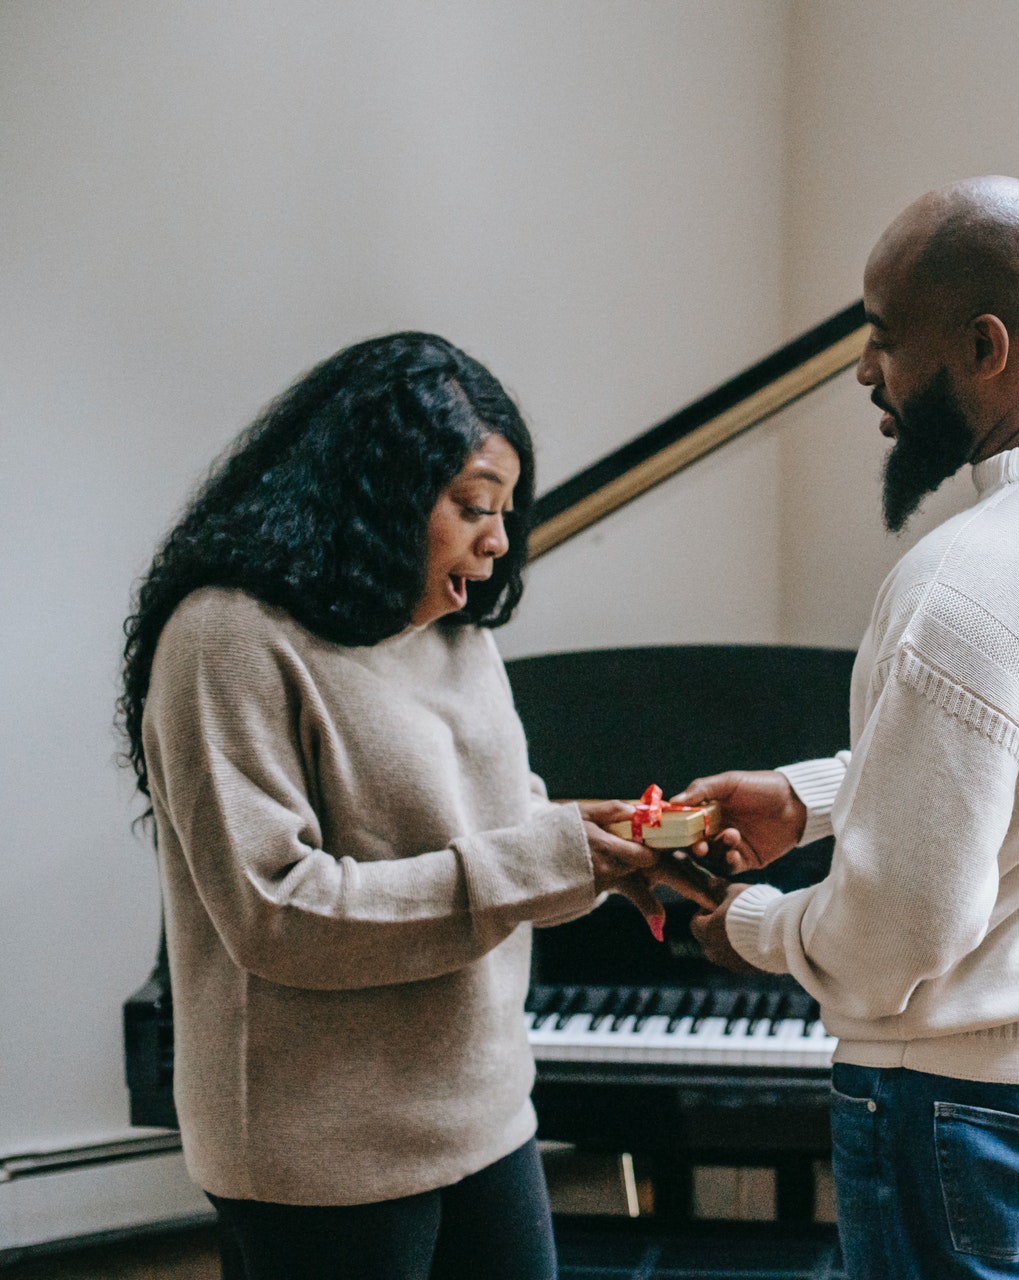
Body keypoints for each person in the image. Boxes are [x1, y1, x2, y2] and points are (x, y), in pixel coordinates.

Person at [681, 177, 1019, 1279]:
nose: (864, 372)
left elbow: (898, 936)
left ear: (984, 346)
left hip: (964, 1107)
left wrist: (748, 923)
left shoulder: (968, 580)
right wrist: (810, 798)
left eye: (883, 338)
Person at [118, 332, 669, 1280]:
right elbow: (278, 911)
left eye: (503, 512)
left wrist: (611, 856)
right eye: (471, 508)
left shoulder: (455, 629)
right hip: (319, 1153)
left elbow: (506, 829)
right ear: (374, 493)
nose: (498, 542)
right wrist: (544, 861)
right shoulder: (225, 638)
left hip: (488, 1112)